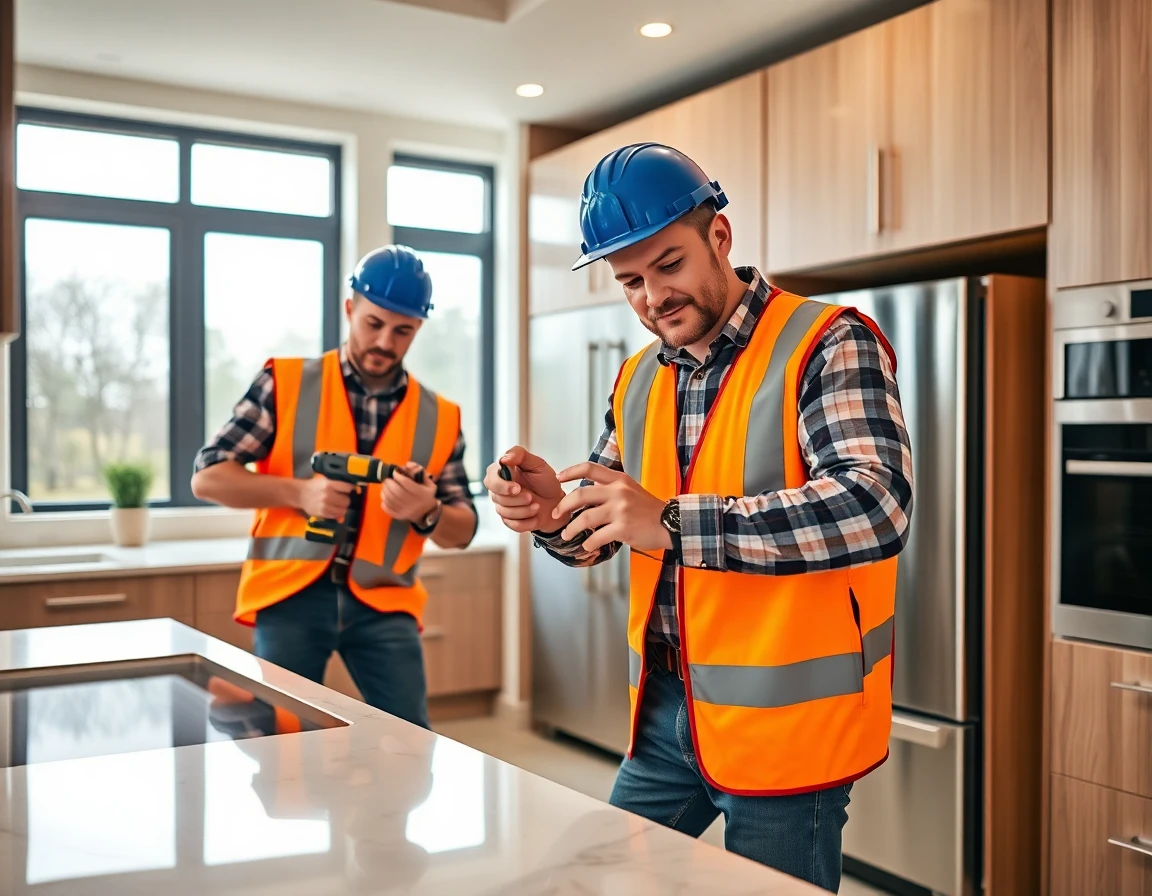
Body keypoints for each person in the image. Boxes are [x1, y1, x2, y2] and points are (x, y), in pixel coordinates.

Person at [483, 143, 914, 893]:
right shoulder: (638, 377)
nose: (653, 297)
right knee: (592, 882)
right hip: (665, 711)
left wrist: (674, 524)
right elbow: (612, 525)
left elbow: (876, 505)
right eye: (630, 281)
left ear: (719, 235)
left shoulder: (826, 341)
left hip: (787, 726)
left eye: (669, 265)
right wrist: (553, 514)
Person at [193, 244, 477, 729]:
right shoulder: (283, 383)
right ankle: (256, 724)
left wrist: (426, 511)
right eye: (374, 323)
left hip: (385, 600)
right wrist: (298, 493)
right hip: (291, 593)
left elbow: (462, 529)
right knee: (283, 738)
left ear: (418, 328)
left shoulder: (440, 417)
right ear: (350, 309)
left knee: (408, 742)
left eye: (403, 331)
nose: (384, 341)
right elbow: (208, 477)